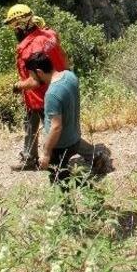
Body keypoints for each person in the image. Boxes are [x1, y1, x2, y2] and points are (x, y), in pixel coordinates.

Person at [23, 52, 112, 183]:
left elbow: (56, 127)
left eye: (32, 75)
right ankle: (92, 169)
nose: (31, 79)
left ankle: (80, 191)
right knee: (65, 177)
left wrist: (46, 153)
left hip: (61, 146)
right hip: (74, 137)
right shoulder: (70, 76)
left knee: (59, 181)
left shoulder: (52, 94)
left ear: (39, 72)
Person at [3, 4, 67, 172]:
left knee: (54, 130)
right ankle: (29, 158)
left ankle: (91, 155)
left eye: (14, 26)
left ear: (21, 25)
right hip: (52, 88)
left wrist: (17, 86)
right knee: (30, 123)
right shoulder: (49, 35)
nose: (14, 30)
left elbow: (35, 81)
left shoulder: (30, 48)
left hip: (43, 95)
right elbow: (63, 55)